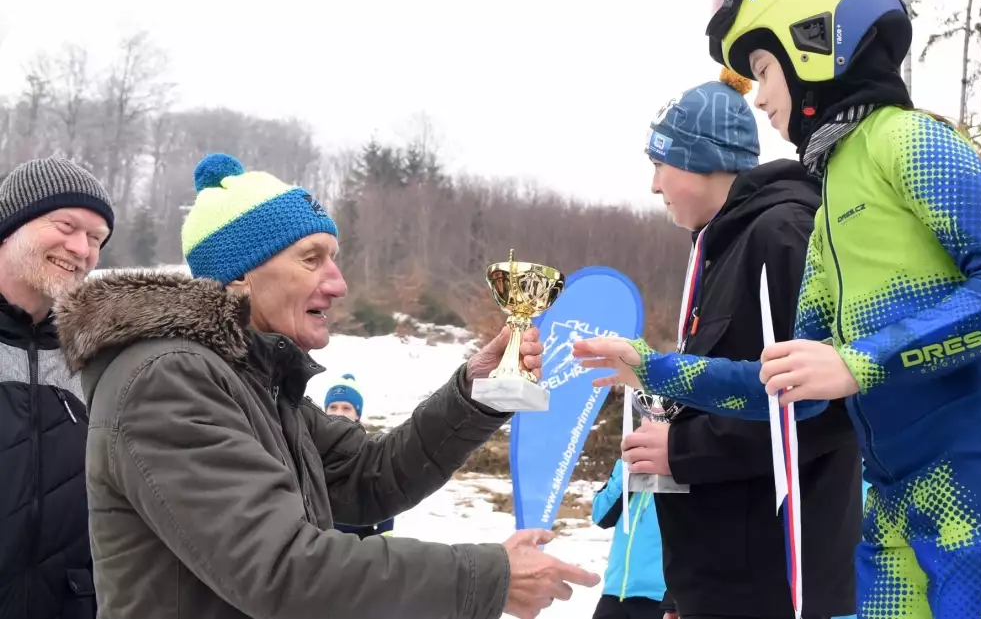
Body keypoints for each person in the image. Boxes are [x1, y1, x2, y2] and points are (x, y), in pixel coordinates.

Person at [580, 0, 981, 617]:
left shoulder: (910, 141)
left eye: (764, 70)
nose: (760, 95)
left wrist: (860, 361)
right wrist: (649, 367)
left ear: (818, 46)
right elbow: (786, 390)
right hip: (895, 489)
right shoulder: (832, 196)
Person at [54, 152, 599, 619]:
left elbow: (372, 476)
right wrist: (490, 575)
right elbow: (280, 569)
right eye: (312, 259)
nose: (337, 283)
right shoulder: (168, 380)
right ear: (240, 274)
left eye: (333, 259)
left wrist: (478, 393)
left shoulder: (253, 379)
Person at [596, 72, 862, 619]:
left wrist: (682, 450)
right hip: (721, 583)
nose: (653, 185)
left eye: (659, 164)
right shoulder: (720, 248)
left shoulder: (781, 235)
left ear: (701, 161)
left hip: (773, 586)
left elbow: (823, 410)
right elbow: (730, 391)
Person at [0, 155, 114, 619]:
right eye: (65, 224)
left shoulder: (98, 359)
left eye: (96, 238)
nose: (81, 248)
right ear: (9, 227)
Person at [590, 459, 666, 619]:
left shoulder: (683, 461)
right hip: (616, 592)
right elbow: (601, 516)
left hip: (662, 597)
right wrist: (626, 474)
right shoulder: (627, 463)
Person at [323, 373, 396, 539]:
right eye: (333, 407)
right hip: (319, 544)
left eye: (346, 408)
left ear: (357, 414)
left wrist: (383, 539)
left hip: (360, 544)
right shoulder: (309, 447)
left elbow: (385, 496)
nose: (338, 413)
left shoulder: (370, 449)